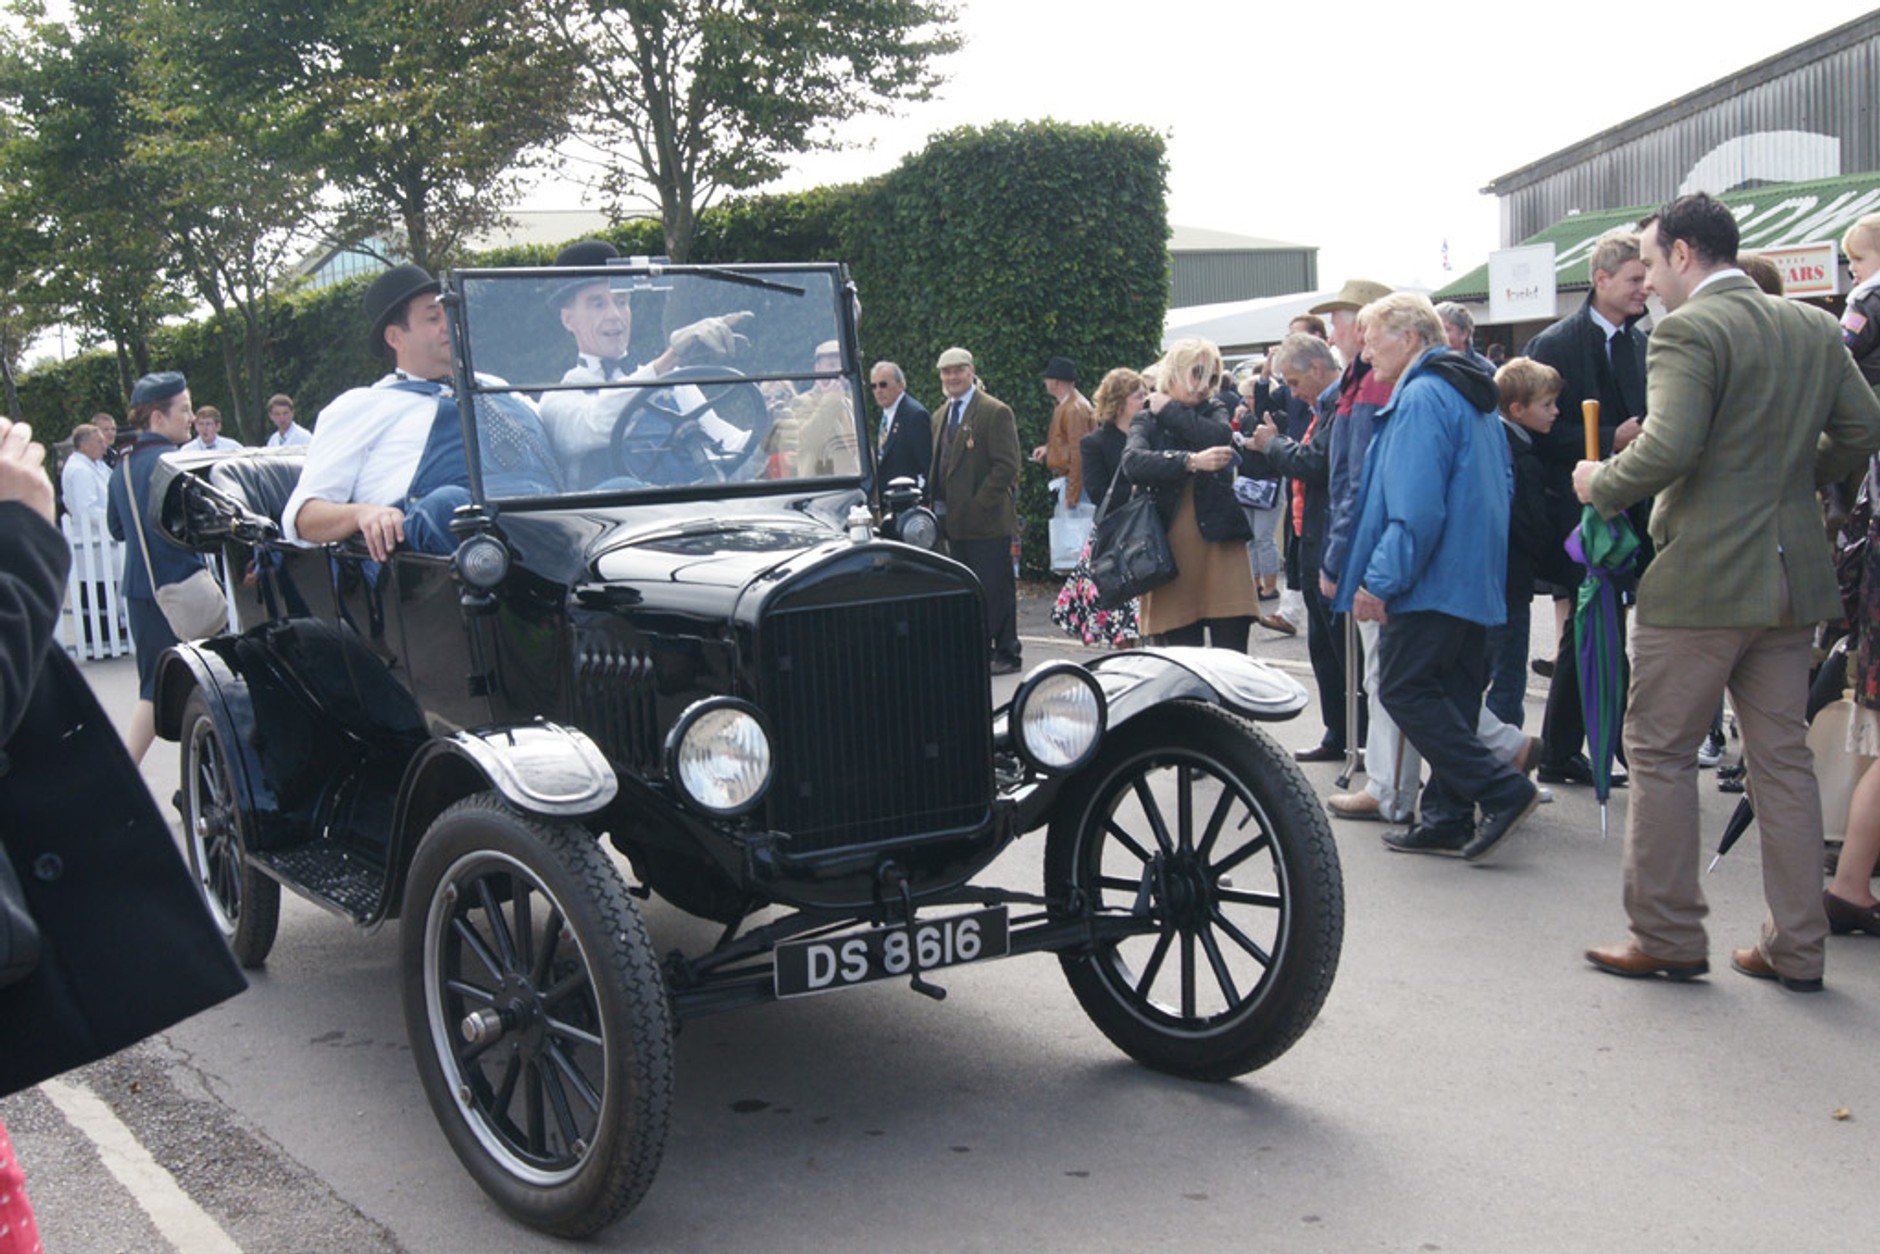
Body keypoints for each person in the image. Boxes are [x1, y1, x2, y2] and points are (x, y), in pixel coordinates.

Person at [1575, 192, 1880, 990]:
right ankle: (1797, 946)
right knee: (1782, 762)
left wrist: (1598, 481)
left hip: (1704, 578)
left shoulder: (1686, 329)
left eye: (1650, 263)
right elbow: (1862, 428)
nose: (1647, 282)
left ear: (1682, 253)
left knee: (1661, 752)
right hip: (1789, 576)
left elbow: (1671, 445)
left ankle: (1668, 934)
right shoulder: (1812, 324)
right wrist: (1789, 481)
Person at [1334, 293, 1537, 862]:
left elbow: (1415, 509)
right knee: (1451, 692)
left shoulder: (1422, 396)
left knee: (1402, 687)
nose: (1366, 346)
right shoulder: (1466, 393)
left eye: (1376, 335)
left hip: (1433, 579)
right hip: (1471, 576)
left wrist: (1379, 581)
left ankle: (1501, 788)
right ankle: (1447, 816)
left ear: (1413, 339)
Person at [1525, 229, 1650, 788]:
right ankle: (1598, 743)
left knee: (1595, 625)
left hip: (1632, 509)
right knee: (1592, 624)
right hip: (1575, 513)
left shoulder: (1643, 344)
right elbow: (1536, 428)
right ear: (1601, 280)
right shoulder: (1554, 345)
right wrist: (1606, 442)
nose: (1643, 288)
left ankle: (1570, 746)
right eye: (1634, 279)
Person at [282, 265, 484, 560]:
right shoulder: (363, 406)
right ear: (395, 338)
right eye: (432, 317)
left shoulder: (499, 389)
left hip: (531, 523)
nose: (448, 325)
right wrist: (362, 514)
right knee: (450, 506)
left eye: (450, 313)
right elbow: (303, 517)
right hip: (441, 546)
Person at [535, 239, 753, 488]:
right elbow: (600, 423)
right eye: (598, 304)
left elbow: (729, 450)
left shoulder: (675, 384)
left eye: (621, 302)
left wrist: (773, 437)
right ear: (569, 320)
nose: (614, 315)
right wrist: (670, 358)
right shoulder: (558, 401)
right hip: (615, 524)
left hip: (692, 518)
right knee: (619, 487)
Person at [1314, 278, 1407, 822]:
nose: (1336, 331)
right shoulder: (1356, 381)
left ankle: (1386, 785)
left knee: (1387, 672)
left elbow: (1357, 479)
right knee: (1392, 670)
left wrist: (1337, 556)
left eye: (1343, 319)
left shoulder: (1369, 383)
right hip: (1372, 540)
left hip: (1371, 545)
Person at [1248, 331, 1356, 761]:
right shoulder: (1323, 406)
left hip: (1329, 541)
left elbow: (1316, 464)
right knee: (1324, 650)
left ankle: (1355, 736)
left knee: (1343, 650)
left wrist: (1271, 444)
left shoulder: (1340, 405)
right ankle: (1338, 733)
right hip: (1309, 540)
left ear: (1316, 368)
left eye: (1293, 383)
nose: (1292, 393)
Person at [1121, 337, 1256, 652]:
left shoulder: (1213, 408)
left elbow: (1219, 436)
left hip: (1220, 544)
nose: (1202, 386)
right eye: (1196, 374)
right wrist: (1190, 462)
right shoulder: (1146, 418)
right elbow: (1133, 464)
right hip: (1168, 550)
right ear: (1175, 371)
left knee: (1233, 661)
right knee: (1183, 666)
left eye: (1210, 377)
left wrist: (1167, 407)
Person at [106, 371, 211, 762]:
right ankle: (122, 778)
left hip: (141, 590)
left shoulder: (122, 465)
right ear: (157, 418)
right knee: (173, 688)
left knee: (167, 685)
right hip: (179, 588)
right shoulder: (171, 463)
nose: (190, 416)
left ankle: (197, 776)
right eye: (183, 409)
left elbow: (116, 528)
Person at [1488, 358, 1575, 728]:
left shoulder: (1500, 442)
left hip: (1496, 577)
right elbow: (1527, 521)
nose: (1555, 412)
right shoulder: (1518, 454)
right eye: (1547, 405)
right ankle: (1504, 765)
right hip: (1510, 578)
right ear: (1517, 410)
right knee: (1507, 677)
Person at [927, 347, 1023, 673]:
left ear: (971, 371)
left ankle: (1008, 652)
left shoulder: (994, 411)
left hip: (987, 522)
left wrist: (980, 503)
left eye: (958, 370)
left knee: (996, 588)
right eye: (946, 372)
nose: (952, 377)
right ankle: (977, 651)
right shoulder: (940, 416)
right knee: (966, 591)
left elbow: (1007, 466)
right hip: (952, 523)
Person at [1052, 367, 1146, 648]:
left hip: (1151, 532)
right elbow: (1098, 493)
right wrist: (1137, 485)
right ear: (1118, 402)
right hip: (1117, 537)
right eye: (1139, 396)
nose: (1146, 401)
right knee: (1122, 621)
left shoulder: (1152, 434)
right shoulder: (1095, 442)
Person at [1034, 356, 1095, 573]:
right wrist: (1049, 449)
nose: (1046, 383)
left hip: (1074, 483)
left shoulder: (1073, 409)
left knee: (1077, 548)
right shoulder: (1071, 405)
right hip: (1072, 481)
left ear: (1055, 382)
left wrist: (1072, 493)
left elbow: (1080, 453)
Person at [60, 421, 114, 646]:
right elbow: (87, 508)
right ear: (84, 446)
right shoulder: (81, 471)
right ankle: (98, 639)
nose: (105, 446)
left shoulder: (96, 465)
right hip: (94, 541)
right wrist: (113, 519)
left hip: (101, 543)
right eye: (99, 442)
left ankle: (106, 635)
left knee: (102, 590)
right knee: (96, 593)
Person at [870, 360, 931, 494]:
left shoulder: (915, 415)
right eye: (873, 386)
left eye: (883, 385)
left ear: (901, 385)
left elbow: (926, 465)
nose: (878, 391)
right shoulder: (886, 414)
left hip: (907, 497)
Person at [1843, 212, 1880, 386]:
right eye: (1850, 260)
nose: (1852, 268)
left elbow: (1843, 348)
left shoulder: (1866, 302)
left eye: (1859, 259)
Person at [1435, 301, 1496, 375]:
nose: (1438, 335)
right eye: (1435, 330)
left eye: (1445, 329)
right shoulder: (1430, 367)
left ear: (1464, 334)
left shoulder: (1485, 371)